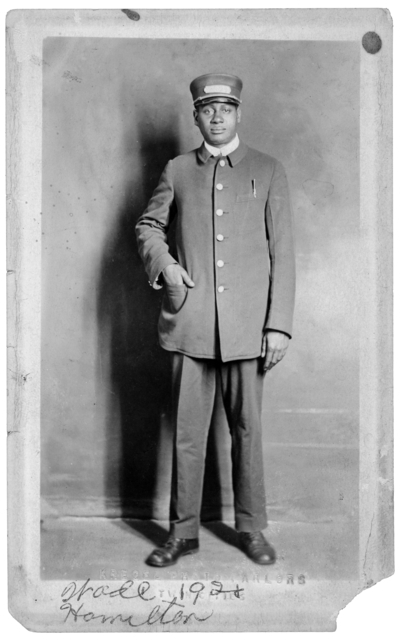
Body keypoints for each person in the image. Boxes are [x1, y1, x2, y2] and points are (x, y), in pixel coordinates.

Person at [135, 73, 295, 567]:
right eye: (208, 109)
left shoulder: (268, 170)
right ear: (197, 116)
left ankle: (250, 529)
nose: (218, 115)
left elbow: (283, 253)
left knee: (247, 430)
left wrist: (278, 324)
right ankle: (182, 533)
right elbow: (148, 226)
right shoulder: (178, 169)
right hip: (191, 324)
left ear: (239, 113)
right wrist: (167, 267)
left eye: (227, 107)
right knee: (187, 434)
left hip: (250, 328)